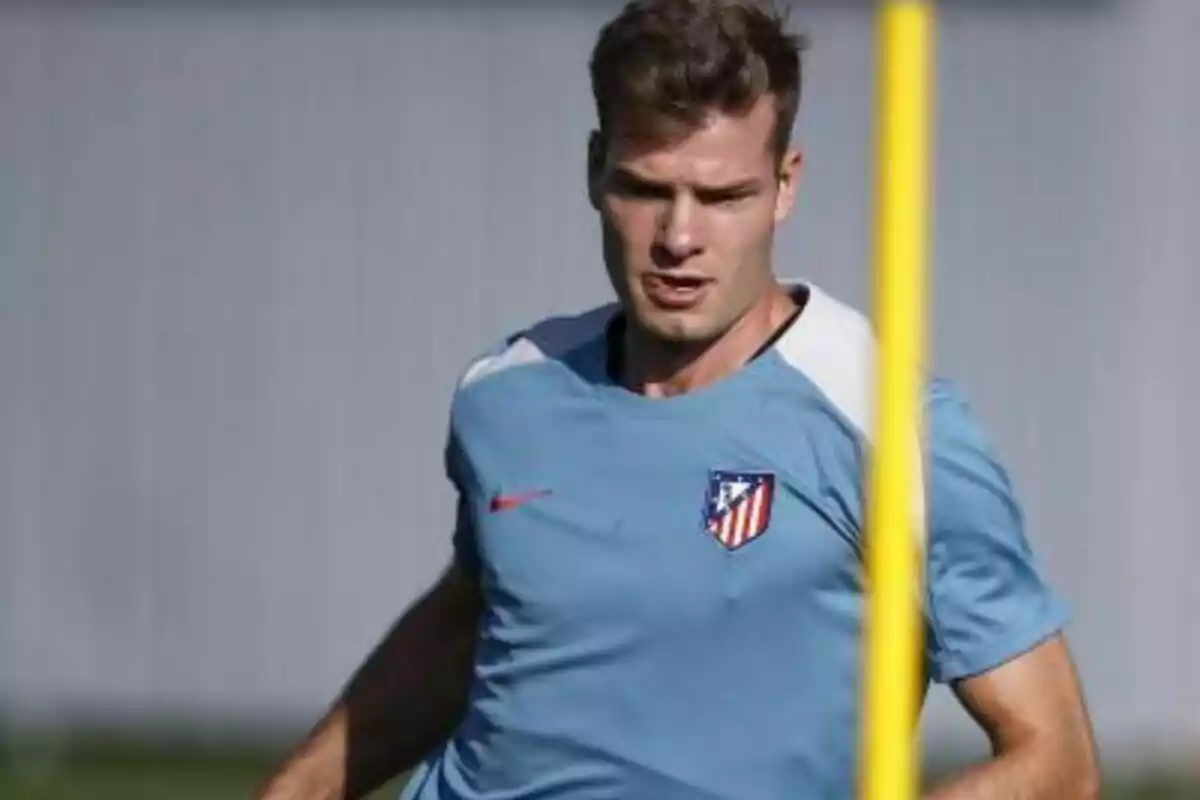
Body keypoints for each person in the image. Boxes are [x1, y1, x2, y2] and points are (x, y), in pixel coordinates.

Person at [254, 1, 1101, 798]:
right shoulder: (507, 392)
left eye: (724, 196)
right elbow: (476, 615)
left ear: (785, 184)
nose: (680, 239)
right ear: (595, 171)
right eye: (647, 189)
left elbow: (1056, 760)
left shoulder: (892, 430)